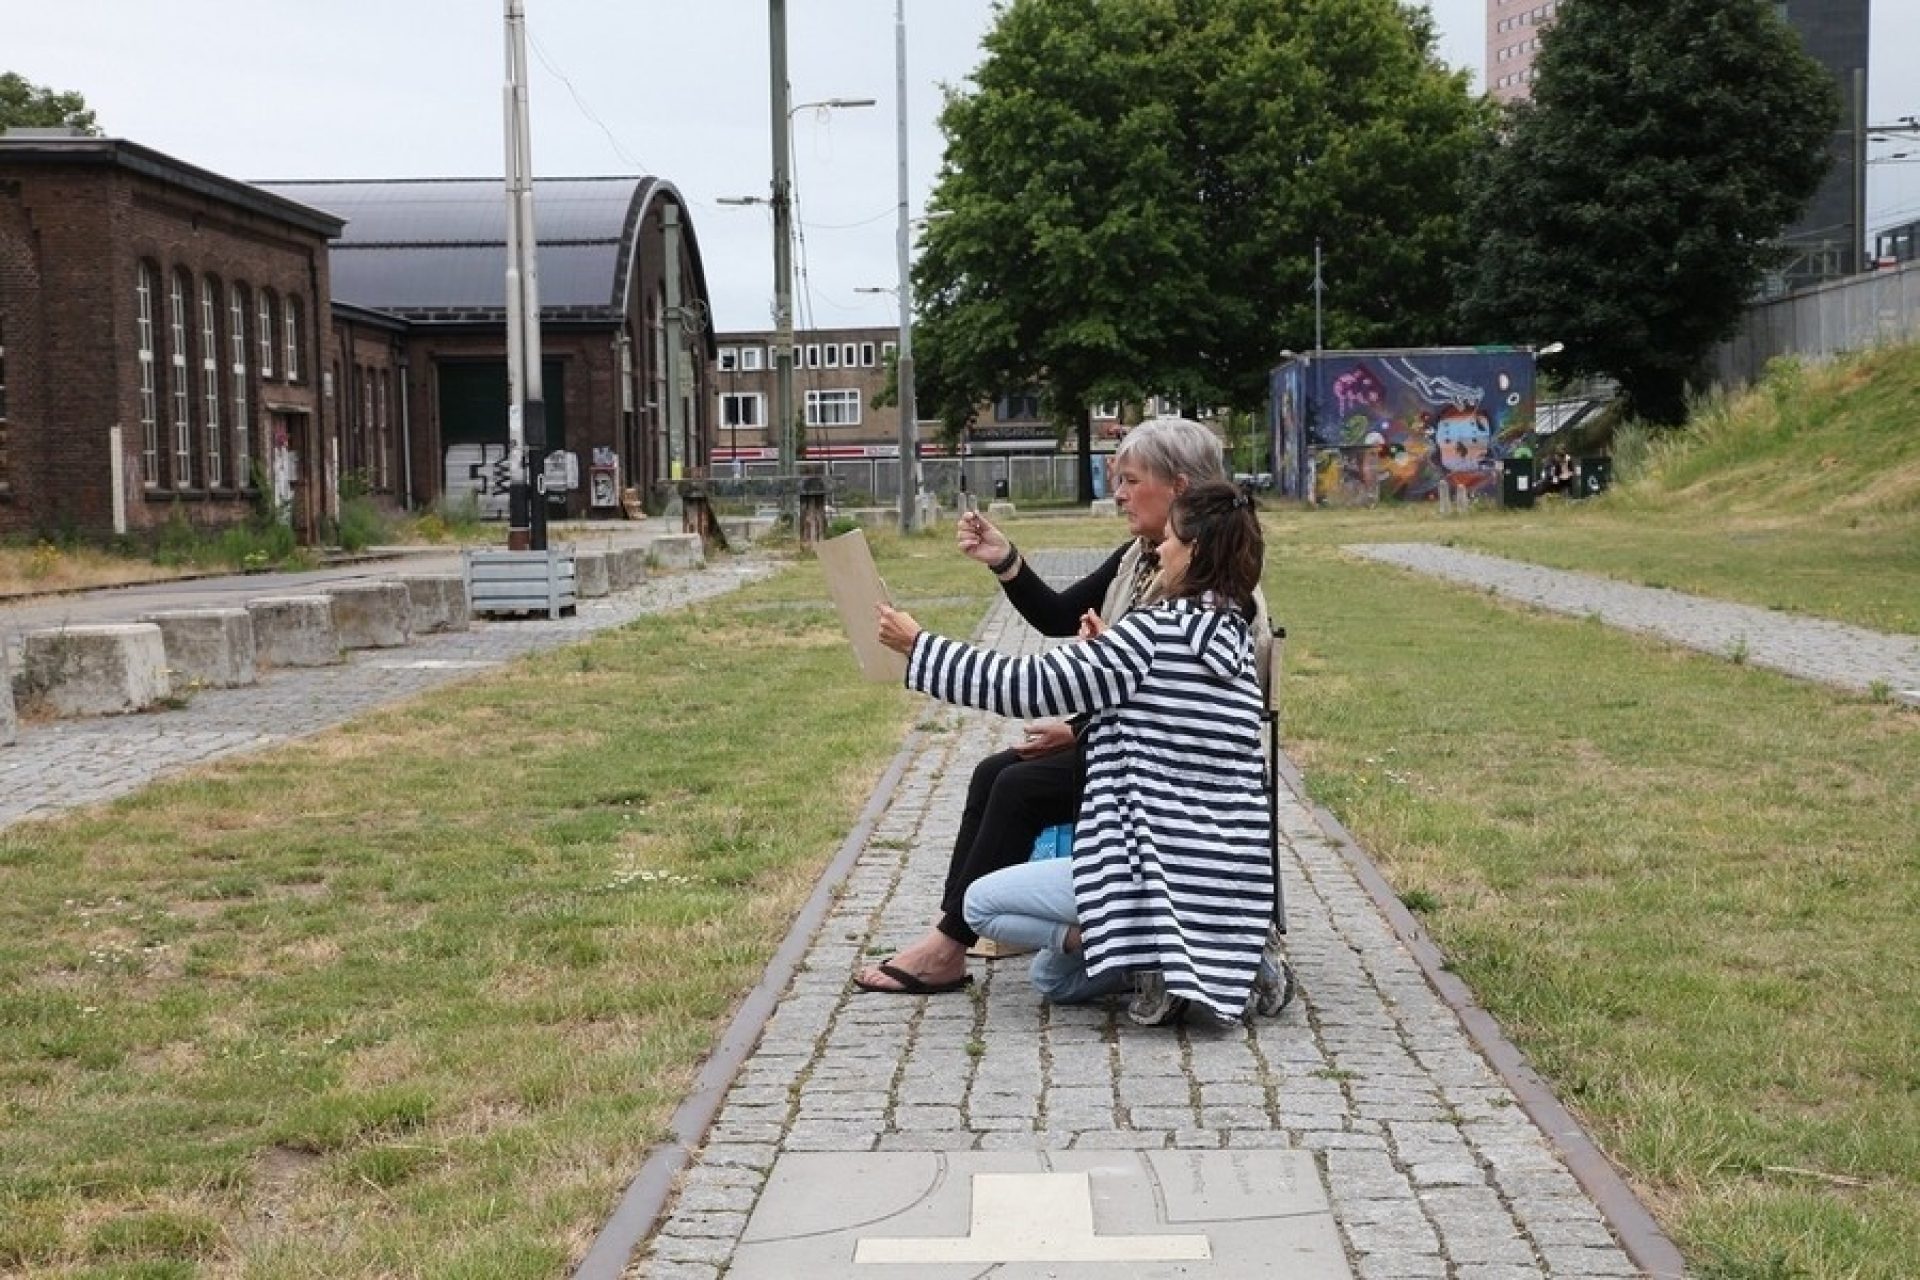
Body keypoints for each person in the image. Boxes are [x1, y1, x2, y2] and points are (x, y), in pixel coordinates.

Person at [853, 417, 1267, 996]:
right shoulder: (1213, 608)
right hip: (1204, 823)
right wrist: (1093, 689)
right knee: (1049, 975)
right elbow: (1171, 701)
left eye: (1129, 479)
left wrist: (919, 648)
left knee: (998, 850)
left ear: (1179, 496)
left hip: (1152, 809)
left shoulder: (1159, 627)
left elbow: (1026, 684)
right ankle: (1144, 950)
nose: (1118, 493)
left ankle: (1114, 939)